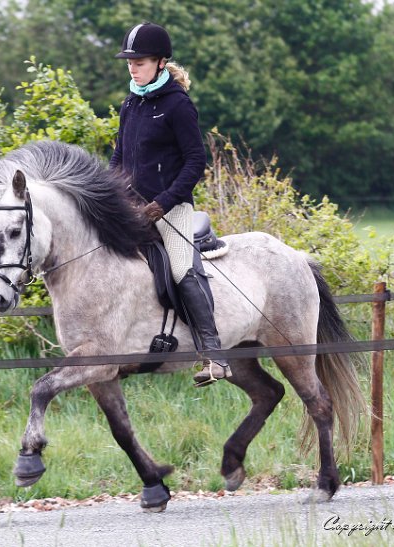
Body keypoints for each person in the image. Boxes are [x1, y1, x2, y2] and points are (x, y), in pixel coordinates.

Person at [109, 22, 231, 387]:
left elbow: (195, 162)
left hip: (171, 208)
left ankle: (215, 355)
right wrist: (108, 193)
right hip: (131, 206)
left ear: (161, 62)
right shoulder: (131, 102)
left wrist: (162, 203)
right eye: (130, 63)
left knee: (181, 270)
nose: (133, 68)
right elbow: (119, 157)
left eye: (140, 62)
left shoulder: (178, 105)